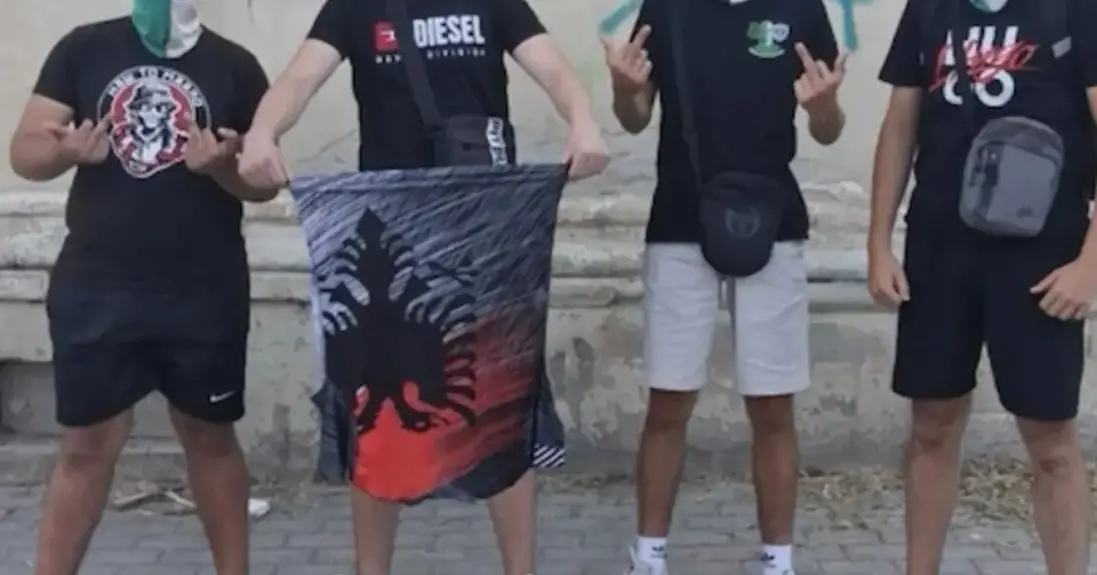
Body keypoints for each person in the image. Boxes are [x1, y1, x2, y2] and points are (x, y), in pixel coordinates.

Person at [235, 0, 607, 573]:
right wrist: (263, 132)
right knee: (373, 412)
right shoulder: (356, 6)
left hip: (484, 230)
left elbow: (554, 69)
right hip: (387, 237)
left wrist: (582, 121)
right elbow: (299, 79)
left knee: (503, 399)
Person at [6, 1, 277, 574]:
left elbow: (264, 183)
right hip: (98, 285)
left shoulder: (235, 65)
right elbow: (25, 154)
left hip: (204, 289)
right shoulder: (84, 49)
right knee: (86, 445)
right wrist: (65, 151)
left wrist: (221, 167)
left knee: (209, 436)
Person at [603, 0, 846, 573]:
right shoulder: (667, 9)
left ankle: (778, 560)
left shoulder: (801, 9)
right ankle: (649, 556)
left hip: (773, 224)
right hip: (679, 225)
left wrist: (825, 108)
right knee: (668, 401)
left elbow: (829, 130)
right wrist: (623, 90)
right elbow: (635, 117)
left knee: (773, 405)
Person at [869, 0, 1097, 573]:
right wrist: (877, 244)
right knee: (931, 427)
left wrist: (1090, 265)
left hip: (1041, 258)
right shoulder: (929, 9)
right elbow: (899, 125)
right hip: (938, 251)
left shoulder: (1074, 10)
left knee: (1051, 440)